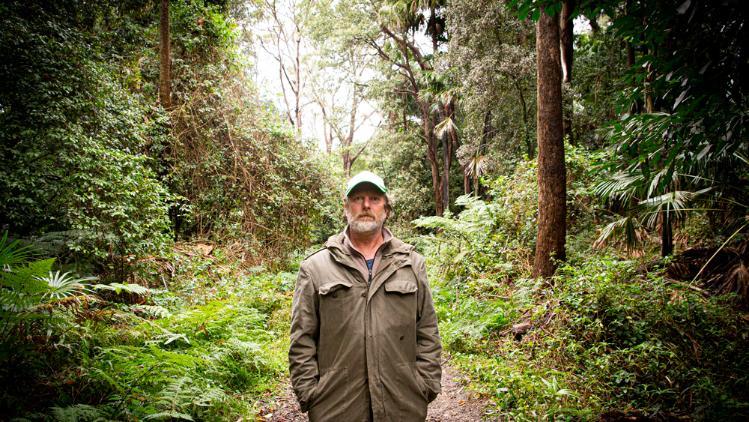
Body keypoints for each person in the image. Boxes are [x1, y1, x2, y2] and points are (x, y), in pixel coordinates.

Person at [289, 171, 442, 421]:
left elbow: (427, 330)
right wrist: (310, 394)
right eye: (358, 198)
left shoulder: (411, 264)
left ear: (386, 209)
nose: (366, 205)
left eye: (374, 198)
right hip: (335, 408)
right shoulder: (315, 267)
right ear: (346, 207)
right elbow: (302, 338)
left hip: (402, 406)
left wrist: (425, 385)